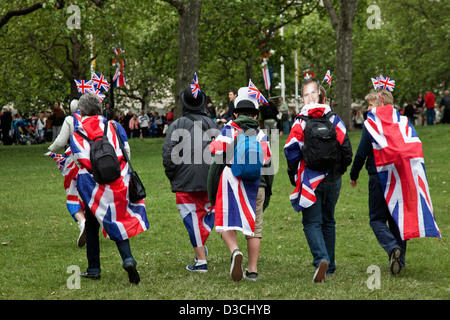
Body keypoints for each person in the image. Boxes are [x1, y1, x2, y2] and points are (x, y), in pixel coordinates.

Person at [70, 93, 149, 284]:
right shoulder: (114, 126)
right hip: (117, 180)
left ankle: (94, 268)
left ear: (81, 111)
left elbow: (79, 160)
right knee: (117, 220)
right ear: (100, 107)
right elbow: (126, 151)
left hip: (91, 186)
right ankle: (127, 259)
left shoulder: (78, 132)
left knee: (91, 225)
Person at [284, 77, 353, 282]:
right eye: (306, 94)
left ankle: (321, 258)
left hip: (309, 181)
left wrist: (293, 174)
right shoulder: (334, 119)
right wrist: (339, 170)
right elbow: (347, 149)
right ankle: (329, 265)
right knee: (328, 220)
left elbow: (290, 151)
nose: (309, 97)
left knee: (312, 222)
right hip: (333, 178)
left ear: (317, 96)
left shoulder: (300, 122)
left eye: (311, 93)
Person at [208, 86, 272, 282]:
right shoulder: (261, 135)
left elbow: (214, 157)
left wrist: (212, 194)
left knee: (225, 222)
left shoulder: (228, 129)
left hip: (231, 183)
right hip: (256, 184)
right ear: (255, 115)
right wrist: (266, 191)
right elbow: (268, 165)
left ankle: (235, 251)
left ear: (234, 113)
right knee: (255, 228)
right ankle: (252, 271)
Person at [349, 90, 413, 275]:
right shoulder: (402, 122)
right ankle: (399, 261)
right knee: (396, 219)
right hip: (400, 176)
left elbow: (361, 153)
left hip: (378, 176)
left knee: (377, 219)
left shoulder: (371, 124)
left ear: (380, 104)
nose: (368, 109)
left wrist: (354, 175)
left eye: (370, 105)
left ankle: (393, 248)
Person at [162, 85, 218, 273]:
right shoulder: (213, 124)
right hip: (210, 180)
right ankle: (200, 249)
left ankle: (201, 261)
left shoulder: (177, 124)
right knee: (206, 215)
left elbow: (168, 155)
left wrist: (174, 175)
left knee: (192, 220)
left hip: (186, 182)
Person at [48, 98, 86, 247]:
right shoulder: (99, 120)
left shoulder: (70, 120)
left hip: (76, 162)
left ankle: (82, 222)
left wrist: (50, 149)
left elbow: (60, 141)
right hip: (95, 162)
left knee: (73, 195)